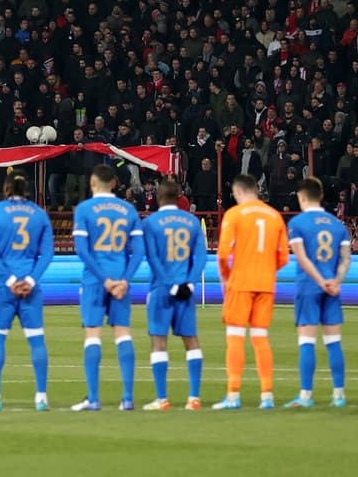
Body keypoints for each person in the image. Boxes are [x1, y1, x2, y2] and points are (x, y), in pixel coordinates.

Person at [0, 173, 54, 412]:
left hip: (2, 288)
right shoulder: (39, 215)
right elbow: (47, 254)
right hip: (31, 287)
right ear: (26, 190)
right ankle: (41, 398)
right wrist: (29, 280)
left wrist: (9, 280)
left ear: (6, 188)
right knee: (36, 339)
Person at [71, 164, 145, 411]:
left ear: (93, 183)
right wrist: (124, 279)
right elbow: (139, 252)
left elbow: (82, 250)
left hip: (95, 279)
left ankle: (93, 398)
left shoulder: (84, 209)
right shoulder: (128, 209)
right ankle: (127, 398)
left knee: (93, 335)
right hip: (121, 278)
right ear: (113, 183)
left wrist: (104, 280)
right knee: (123, 333)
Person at [213, 174, 289, 410]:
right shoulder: (275, 216)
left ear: (238, 192)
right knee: (260, 338)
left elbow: (223, 253)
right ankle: (267, 395)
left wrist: (226, 279)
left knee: (235, 336)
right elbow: (284, 257)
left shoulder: (234, 215)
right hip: (265, 283)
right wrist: (267, 269)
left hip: (241, 282)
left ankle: (233, 395)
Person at [139, 180, 207, 411]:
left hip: (161, 289)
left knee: (159, 341)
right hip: (186, 291)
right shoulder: (192, 222)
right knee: (191, 341)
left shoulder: (150, 223)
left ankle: (162, 399)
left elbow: (153, 258)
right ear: (179, 197)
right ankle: (194, 398)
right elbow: (200, 257)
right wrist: (189, 283)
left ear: (158, 197)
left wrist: (169, 285)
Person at [284, 177, 350, 409]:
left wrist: (321, 281)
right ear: (321, 196)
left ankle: (306, 395)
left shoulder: (297, 223)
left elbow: (301, 257)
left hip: (309, 287)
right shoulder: (337, 224)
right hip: (332, 288)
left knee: (307, 342)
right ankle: (339, 395)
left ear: (302, 197)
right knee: (334, 341)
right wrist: (335, 281)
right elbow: (345, 260)